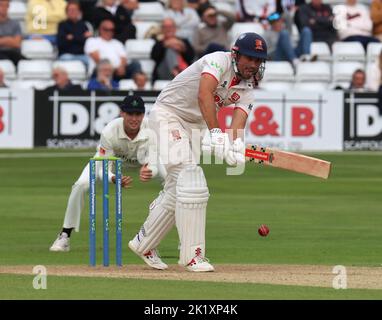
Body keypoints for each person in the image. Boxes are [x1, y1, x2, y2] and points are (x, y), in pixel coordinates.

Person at [128, 32, 268, 272]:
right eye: (249, 58)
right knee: (192, 180)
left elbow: (237, 127)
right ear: (236, 55)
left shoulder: (248, 89)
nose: (253, 65)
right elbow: (204, 94)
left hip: (195, 126)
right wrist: (216, 133)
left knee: (177, 188)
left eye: (258, 60)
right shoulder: (217, 61)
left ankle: (144, 242)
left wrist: (233, 147)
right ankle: (193, 256)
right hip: (169, 115)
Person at [50, 95, 157, 254]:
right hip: (112, 162)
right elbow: (102, 170)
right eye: (130, 114)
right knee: (81, 185)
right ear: (122, 113)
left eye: (138, 114)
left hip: (142, 162)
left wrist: (150, 169)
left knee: (174, 178)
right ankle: (65, 235)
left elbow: (158, 158)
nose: (134, 118)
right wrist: (113, 178)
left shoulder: (152, 129)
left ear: (143, 114)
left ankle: (183, 240)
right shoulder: (110, 131)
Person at [150, 18, 195, 83]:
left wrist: (183, 48)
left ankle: (177, 73)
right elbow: (154, 57)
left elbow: (191, 57)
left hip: (184, 70)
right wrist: (165, 45)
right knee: (170, 50)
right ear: (162, 29)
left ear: (175, 28)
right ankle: (176, 73)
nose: (168, 29)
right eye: (165, 27)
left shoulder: (183, 42)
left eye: (170, 26)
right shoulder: (159, 43)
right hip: (165, 72)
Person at [57, 0, 92, 68]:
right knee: (66, 59)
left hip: (82, 55)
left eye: (75, 9)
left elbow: (87, 42)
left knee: (91, 61)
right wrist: (81, 37)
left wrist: (72, 37)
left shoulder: (83, 25)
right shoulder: (62, 25)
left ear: (79, 12)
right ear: (66, 12)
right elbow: (61, 43)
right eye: (70, 10)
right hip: (66, 55)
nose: (73, 12)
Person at [0, 0, 23, 66]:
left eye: (6, 5)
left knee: (27, 63)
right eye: (1, 5)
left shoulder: (15, 24)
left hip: (13, 54)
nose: (3, 8)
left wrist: (1, 40)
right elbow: (14, 42)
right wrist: (9, 39)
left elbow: (17, 43)